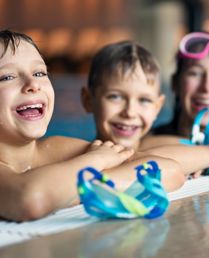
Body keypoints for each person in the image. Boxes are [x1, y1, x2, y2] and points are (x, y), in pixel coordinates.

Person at [0, 30, 185, 222]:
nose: (33, 84)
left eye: (39, 73)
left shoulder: (52, 149)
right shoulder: (86, 157)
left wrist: (69, 190)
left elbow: (169, 172)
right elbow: (32, 200)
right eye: (7, 77)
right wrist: (96, 161)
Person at [81, 41, 209, 179]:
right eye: (116, 97)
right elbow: (143, 159)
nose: (130, 112)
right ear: (88, 100)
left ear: (157, 107)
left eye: (144, 100)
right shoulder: (74, 151)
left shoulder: (160, 143)